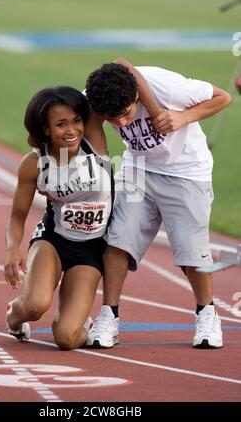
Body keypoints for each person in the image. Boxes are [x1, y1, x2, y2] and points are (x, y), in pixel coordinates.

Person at [85, 58, 232, 350]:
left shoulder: (170, 88)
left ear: (136, 94)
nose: (121, 124)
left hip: (186, 171)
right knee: (118, 241)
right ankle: (109, 315)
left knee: (192, 252)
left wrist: (183, 118)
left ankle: (207, 314)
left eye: (125, 114)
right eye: (112, 119)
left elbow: (223, 97)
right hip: (138, 168)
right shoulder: (97, 94)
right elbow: (117, 66)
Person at [4, 85, 113, 350]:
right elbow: (18, 215)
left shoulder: (93, 142)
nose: (72, 130)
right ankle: (14, 315)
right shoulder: (34, 163)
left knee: (66, 338)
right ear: (45, 128)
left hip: (90, 248)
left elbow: (113, 73)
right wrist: (12, 249)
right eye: (61, 124)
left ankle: (80, 320)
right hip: (53, 240)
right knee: (35, 306)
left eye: (76, 121)